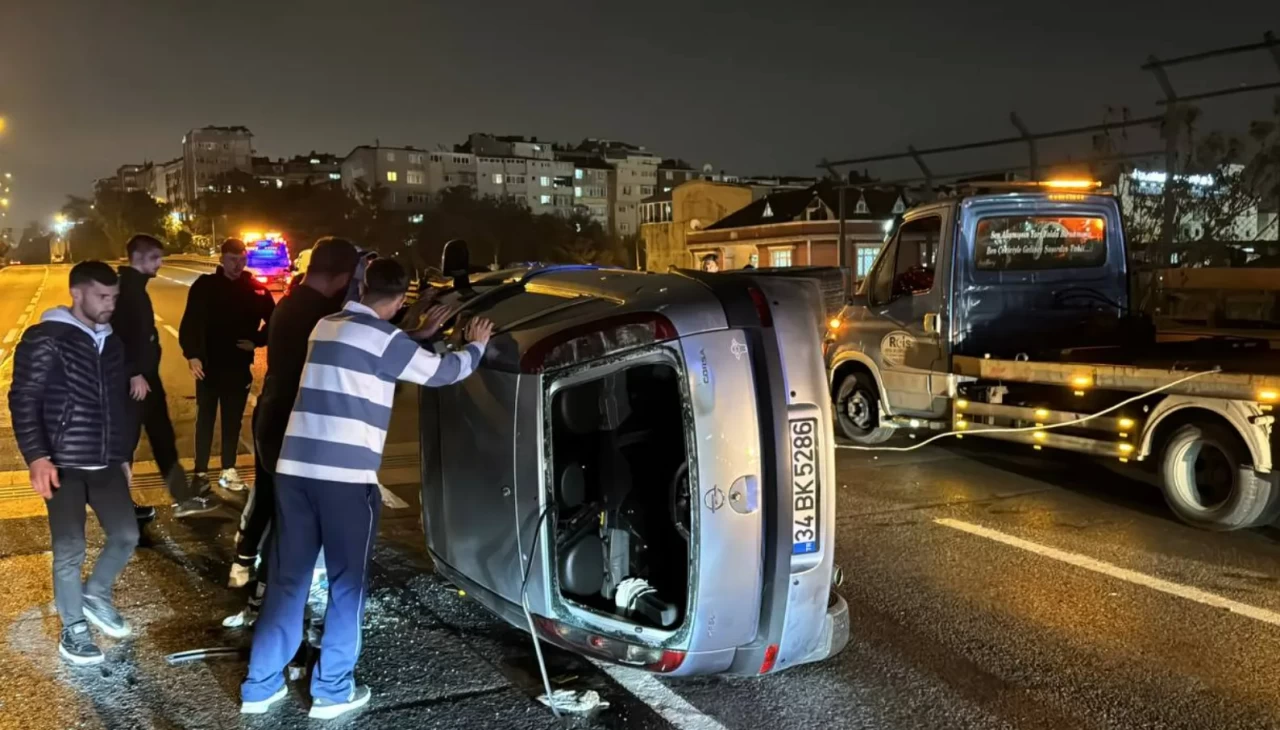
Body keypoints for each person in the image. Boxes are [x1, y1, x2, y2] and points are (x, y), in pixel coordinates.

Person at [241, 258, 490, 719]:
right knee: (346, 586)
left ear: (363, 286)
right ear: (398, 301)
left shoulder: (326, 325)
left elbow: (369, 351)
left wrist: (411, 335)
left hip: (295, 472)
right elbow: (441, 373)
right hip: (346, 482)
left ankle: (260, 686)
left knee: (287, 581)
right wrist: (474, 346)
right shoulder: (386, 339)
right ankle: (332, 691)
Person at [9, 261, 137, 665]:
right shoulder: (45, 339)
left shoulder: (112, 344)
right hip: (60, 462)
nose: (109, 305)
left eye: (114, 297)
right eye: (102, 296)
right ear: (77, 293)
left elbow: (117, 406)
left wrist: (121, 455)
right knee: (70, 547)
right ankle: (73, 628)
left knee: (126, 534)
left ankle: (95, 593)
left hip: (105, 462)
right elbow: (23, 398)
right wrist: (37, 456)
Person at [226, 238, 362, 604]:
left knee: (271, 500)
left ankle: (248, 572)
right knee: (291, 519)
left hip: (272, 416)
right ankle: (267, 598)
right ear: (343, 276)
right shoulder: (321, 316)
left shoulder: (292, 302)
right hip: (293, 427)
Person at [113, 234, 221, 519]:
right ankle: (119, 507)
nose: (160, 264)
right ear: (139, 258)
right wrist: (134, 372)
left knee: (161, 438)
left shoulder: (134, 287)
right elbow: (117, 337)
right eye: (155, 258)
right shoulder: (125, 291)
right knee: (126, 443)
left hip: (146, 378)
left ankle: (182, 498)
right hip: (134, 381)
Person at [179, 239, 276, 493]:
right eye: (232, 259)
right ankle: (200, 473)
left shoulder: (256, 289)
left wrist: (256, 341)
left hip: (238, 366)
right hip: (208, 366)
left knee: (233, 420)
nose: (237, 265)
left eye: (242, 259)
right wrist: (192, 355)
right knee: (205, 420)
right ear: (221, 259)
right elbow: (190, 323)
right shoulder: (205, 286)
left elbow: (275, 322)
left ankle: (228, 469)